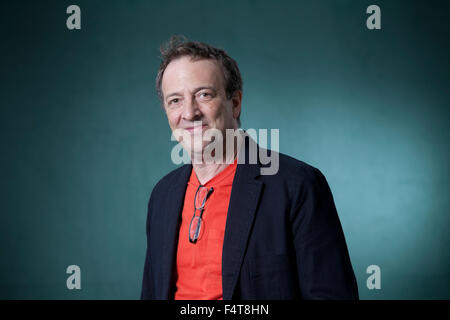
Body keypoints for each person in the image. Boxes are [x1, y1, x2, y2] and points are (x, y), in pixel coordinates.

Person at [141, 36, 359, 300]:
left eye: (204, 94)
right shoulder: (162, 195)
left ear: (235, 103)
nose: (189, 112)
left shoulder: (297, 185)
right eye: (175, 100)